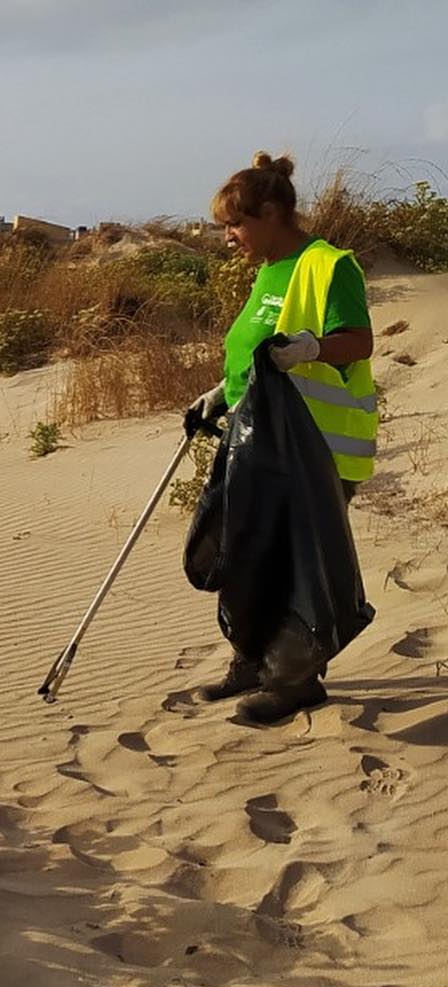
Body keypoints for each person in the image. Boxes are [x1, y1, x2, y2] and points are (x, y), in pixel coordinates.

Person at [183, 151, 376, 724]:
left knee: (298, 567)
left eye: (235, 225)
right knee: (245, 552)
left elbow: (358, 341)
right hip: (259, 438)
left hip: (314, 445)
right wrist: (222, 391)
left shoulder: (327, 265)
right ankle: (249, 660)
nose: (228, 238)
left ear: (271, 212)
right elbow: (253, 351)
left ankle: (294, 682)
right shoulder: (268, 270)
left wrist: (312, 349)